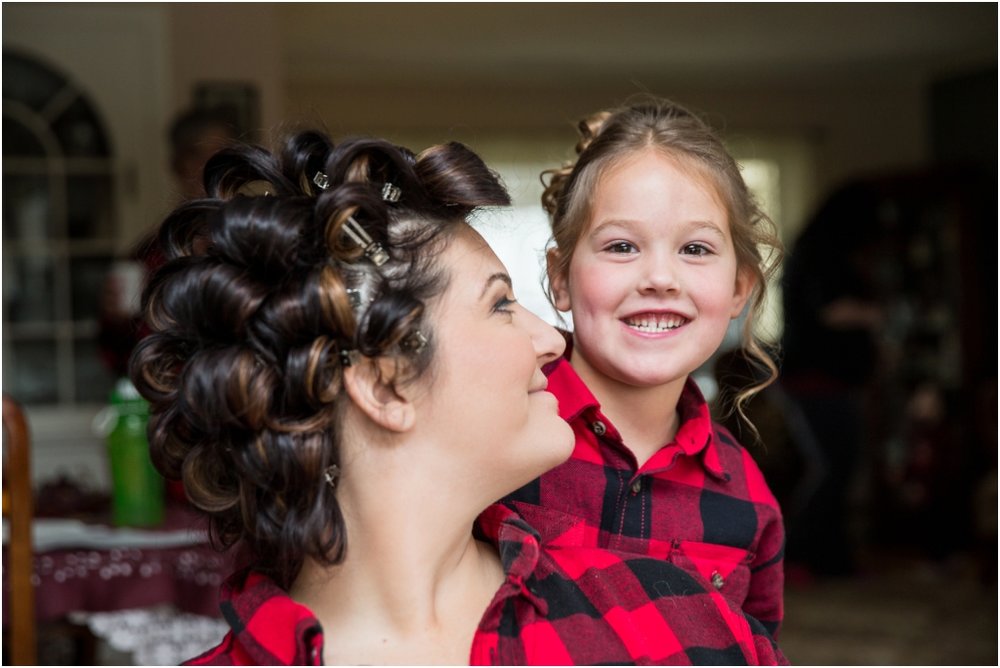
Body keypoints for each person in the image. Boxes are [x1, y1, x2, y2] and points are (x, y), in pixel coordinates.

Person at [130, 129, 785, 665]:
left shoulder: (680, 622)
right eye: (501, 304)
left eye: (697, 249)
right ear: (384, 384)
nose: (551, 342)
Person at [503, 97, 787, 637]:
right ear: (560, 277)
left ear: (739, 287)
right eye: (622, 245)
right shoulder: (497, 428)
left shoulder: (749, 501)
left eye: (696, 249)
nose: (660, 277)